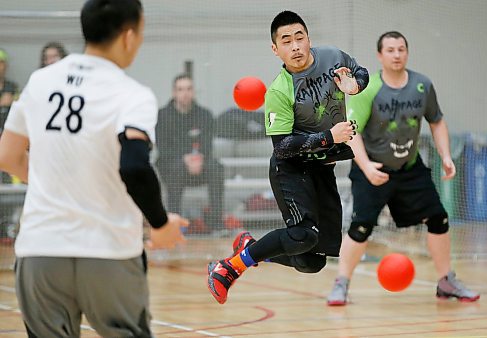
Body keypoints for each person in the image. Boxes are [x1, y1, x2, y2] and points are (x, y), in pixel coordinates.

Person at [0, 0, 189, 336]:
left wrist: (59, 182)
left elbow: (9, 157)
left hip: (40, 251)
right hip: (109, 251)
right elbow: (133, 166)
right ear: (129, 36)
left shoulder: (39, 82)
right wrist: (159, 224)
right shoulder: (132, 94)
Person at [206, 10, 369, 305]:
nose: (295, 46)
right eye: (286, 41)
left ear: (308, 39)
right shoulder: (279, 91)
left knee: (313, 260)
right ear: (275, 49)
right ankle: (228, 268)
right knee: (304, 235)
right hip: (291, 168)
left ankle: (251, 248)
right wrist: (329, 137)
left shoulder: (332, 57)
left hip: (321, 167)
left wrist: (354, 85)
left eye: (299, 38)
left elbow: (362, 72)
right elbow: (283, 147)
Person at [326, 31, 479, 306]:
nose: (396, 55)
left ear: (407, 53)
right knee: (361, 227)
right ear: (380, 55)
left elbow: (437, 121)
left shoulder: (422, 85)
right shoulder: (368, 87)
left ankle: (446, 281)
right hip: (371, 166)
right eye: (390, 50)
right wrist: (366, 166)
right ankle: (341, 283)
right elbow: (352, 132)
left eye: (401, 49)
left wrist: (445, 155)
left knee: (438, 219)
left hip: (409, 167)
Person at [156, 74, 225, 234]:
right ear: (174, 92)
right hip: (172, 166)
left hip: (200, 164)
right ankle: (175, 225)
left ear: (193, 92)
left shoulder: (205, 115)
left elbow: (207, 144)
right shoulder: (162, 115)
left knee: (216, 167)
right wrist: (184, 159)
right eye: (180, 89)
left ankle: (216, 225)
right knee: (175, 168)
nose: (185, 93)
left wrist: (198, 158)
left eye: (188, 89)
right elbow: (163, 147)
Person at [0, 48, 19, 127]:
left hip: (7, 132)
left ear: (6, 66)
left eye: (1, 63)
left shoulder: (12, 87)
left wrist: (13, 101)